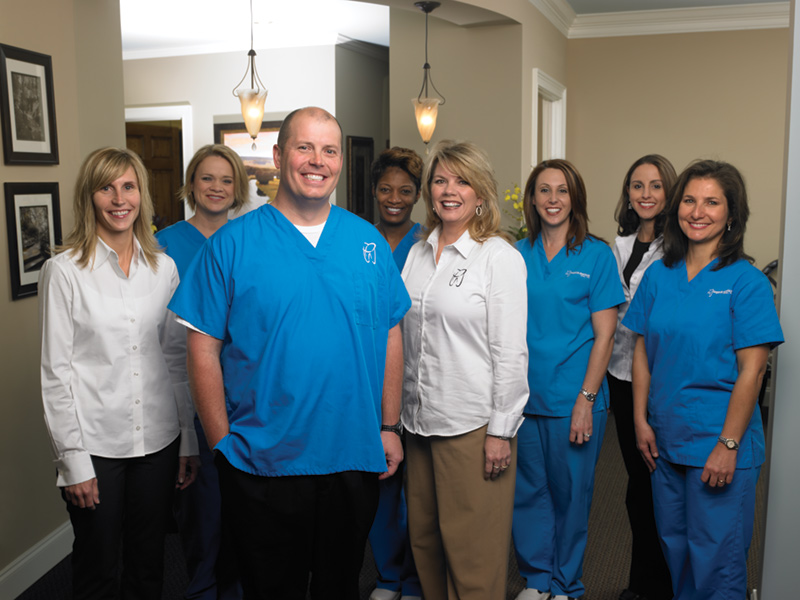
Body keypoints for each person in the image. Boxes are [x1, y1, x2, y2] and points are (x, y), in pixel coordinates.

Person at [167, 107, 411, 600]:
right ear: (279, 156)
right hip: (262, 463)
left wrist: (388, 426)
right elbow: (202, 349)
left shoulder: (367, 242)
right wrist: (222, 446)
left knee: (338, 587)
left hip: (352, 457)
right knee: (270, 590)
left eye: (329, 150)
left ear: (341, 161)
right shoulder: (232, 244)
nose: (316, 161)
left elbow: (390, 333)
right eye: (304, 147)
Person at [39, 147, 199, 599]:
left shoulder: (163, 268)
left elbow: (175, 361)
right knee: (97, 567)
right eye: (105, 187)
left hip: (158, 441)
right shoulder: (64, 272)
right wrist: (72, 463)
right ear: (89, 197)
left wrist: (186, 437)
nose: (118, 198)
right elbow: (56, 375)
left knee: (149, 565)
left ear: (141, 194)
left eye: (128, 186)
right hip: (96, 448)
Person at [624, 160, 783, 600]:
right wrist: (640, 420)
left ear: (731, 215)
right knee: (677, 555)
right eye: (690, 200)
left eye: (712, 202)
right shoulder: (659, 275)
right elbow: (641, 349)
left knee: (718, 564)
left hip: (718, 444)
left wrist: (728, 445)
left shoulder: (746, 283)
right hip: (664, 441)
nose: (698, 211)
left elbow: (753, 370)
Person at [401, 140, 529, 600]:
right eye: (439, 180)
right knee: (426, 543)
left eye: (461, 181)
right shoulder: (418, 254)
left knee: (473, 556)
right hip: (417, 424)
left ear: (481, 193)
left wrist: (501, 431)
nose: (448, 190)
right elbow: (403, 337)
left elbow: (511, 353)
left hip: (471, 428)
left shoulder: (499, 258)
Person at [513, 159, 624, 600]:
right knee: (528, 492)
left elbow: (606, 335)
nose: (553, 199)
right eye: (544, 190)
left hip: (574, 397)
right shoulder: (517, 253)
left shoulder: (596, 255)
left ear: (575, 198)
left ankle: (564, 584)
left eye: (562, 191)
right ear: (532, 198)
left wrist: (586, 398)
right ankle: (536, 578)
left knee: (572, 494)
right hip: (524, 396)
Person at [156, 144, 249, 600]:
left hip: (246, 396)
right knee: (203, 513)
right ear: (191, 183)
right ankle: (204, 590)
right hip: (193, 397)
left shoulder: (249, 240)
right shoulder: (164, 245)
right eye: (208, 178)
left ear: (239, 189)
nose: (217, 188)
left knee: (244, 514)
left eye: (226, 180)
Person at [606, 155, 676, 600]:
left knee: (659, 482)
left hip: (659, 376)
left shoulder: (679, 248)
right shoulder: (619, 244)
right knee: (637, 482)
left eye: (654, 186)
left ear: (669, 191)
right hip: (619, 373)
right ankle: (642, 581)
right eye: (637, 185)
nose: (645, 194)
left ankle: (664, 583)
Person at [369, 146, 423, 600]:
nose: (394, 198)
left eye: (405, 191)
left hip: (421, 379)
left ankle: (416, 578)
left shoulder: (429, 244)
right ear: (373, 191)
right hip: (369, 378)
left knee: (419, 491)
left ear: (417, 196)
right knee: (381, 479)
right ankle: (388, 575)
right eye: (386, 188)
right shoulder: (356, 241)